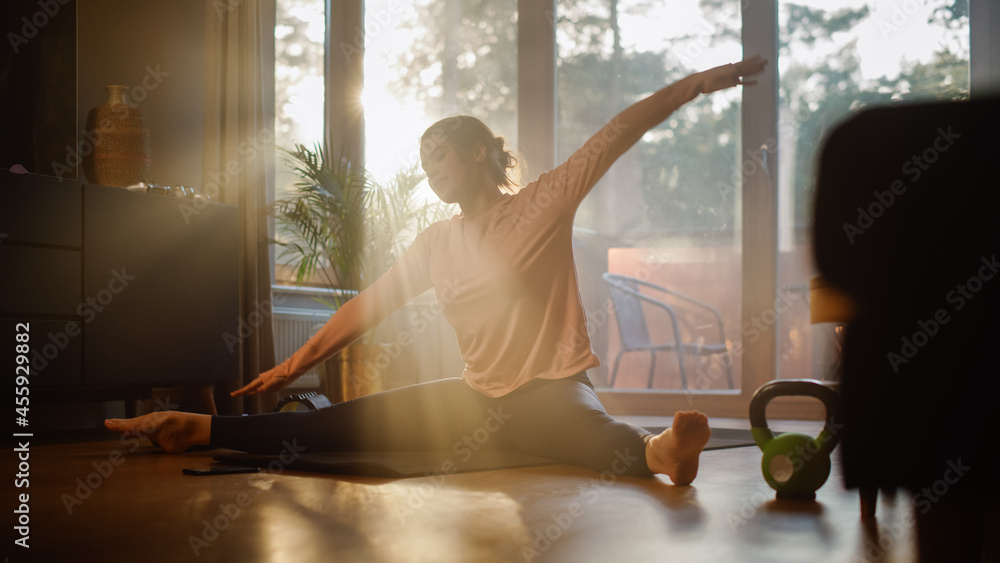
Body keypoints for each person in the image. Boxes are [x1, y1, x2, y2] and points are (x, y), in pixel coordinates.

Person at [106, 55, 767, 485]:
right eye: (424, 163)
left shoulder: (544, 201)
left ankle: (664, 453)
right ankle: (197, 427)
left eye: (442, 155)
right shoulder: (435, 241)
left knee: (593, 438)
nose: (431, 169)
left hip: (550, 385)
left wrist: (693, 85)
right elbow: (369, 306)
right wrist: (289, 365)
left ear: (481, 152)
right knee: (340, 422)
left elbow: (615, 133)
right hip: (474, 394)